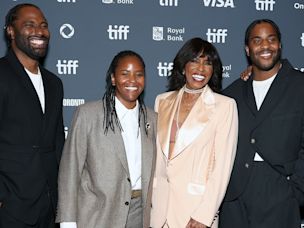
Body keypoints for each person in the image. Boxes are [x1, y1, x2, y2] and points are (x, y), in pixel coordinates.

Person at [218, 19, 304, 228]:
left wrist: (297, 192)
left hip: (280, 190)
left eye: (271, 40)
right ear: (247, 48)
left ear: (280, 45)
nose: (265, 46)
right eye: (257, 40)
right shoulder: (232, 94)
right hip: (234, 194)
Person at [56, 50, 157, 228]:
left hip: (139, 215)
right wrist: (67, 221)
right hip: (97, 215)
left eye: (139, 75)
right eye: (125, 74)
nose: (132, 80)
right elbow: (69, 171)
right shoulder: (88, 114)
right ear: (113, 78)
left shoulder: (152, 118)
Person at [150, 37, 238, 228]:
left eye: (208, 63)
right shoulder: (162, 101)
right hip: (159, 210)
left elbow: (222, 167)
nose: (201, 68)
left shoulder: (225, 106)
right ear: (183, 67)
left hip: (196, 212)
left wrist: (205, 214)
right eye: (195, 61)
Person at [0, 3, 65, 228]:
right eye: (29, 25)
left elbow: (58, 144)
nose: (39, 31)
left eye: (44, 25)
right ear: (10, 31)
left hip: (49, 209)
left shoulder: (54, 84)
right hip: (10, 209)